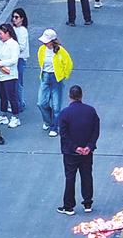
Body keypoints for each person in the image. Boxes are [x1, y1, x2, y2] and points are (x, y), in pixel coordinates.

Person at [56, 85, 100, 215]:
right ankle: (87, 203)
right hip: (87, 152)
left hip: (71, 153)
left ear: (70, 96)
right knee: (87, 176)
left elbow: (64, 134)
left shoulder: (65, 113)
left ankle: (68, 206)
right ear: (81, 95)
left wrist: (75, 148)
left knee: (70, 177)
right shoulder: (91, 111)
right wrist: (89, 146)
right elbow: (95, 131)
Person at [36, 28, 73, 137]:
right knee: (41, 103)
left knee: (56, 106)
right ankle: (49, 121)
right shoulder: (41, 50)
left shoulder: (60, 51)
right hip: (45, 76)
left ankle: (54, 126)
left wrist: (64, 75)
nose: (44, 43)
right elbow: (40, 62)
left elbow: (68, 63)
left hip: (56, 78)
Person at [10, 8, 30, 113]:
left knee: (18, 83)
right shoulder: (12, 29)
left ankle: (19, 103)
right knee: (13, 82)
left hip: (20, 59)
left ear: (22, 18)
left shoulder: (22, 31)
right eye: (13, 17)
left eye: (16, 17)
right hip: (14, 58)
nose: (14, 19)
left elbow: (21, 47)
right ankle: (17, 103)